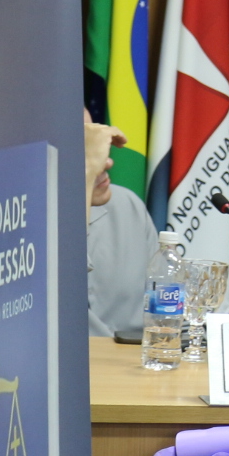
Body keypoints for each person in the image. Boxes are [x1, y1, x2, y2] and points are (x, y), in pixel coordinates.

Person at [85, 108, 156, 336]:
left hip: (136, 356)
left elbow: (166, 308)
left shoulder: (127, 205)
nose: (106, 162)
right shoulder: (22, 225)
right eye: (86, 150)